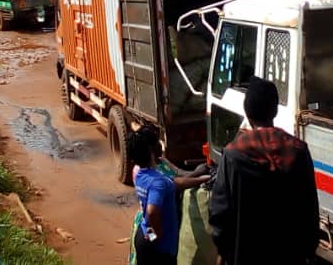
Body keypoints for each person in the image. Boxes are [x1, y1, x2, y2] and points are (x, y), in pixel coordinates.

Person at [208, 77, 318, 265]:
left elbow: (219, 214)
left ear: (247, 113)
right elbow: (310, 210)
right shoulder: (298, 151)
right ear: (275, 110)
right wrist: (308, 251)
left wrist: (226, 252)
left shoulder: (233, 154)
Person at [128, 126, 210, 265]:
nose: (159, 144)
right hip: (158, 248)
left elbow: (174, 183)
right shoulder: (157, 182)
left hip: (145, 234)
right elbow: (152, 211)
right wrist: (158, 235)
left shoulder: (142, 174)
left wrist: (202, 177)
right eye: (156, 142)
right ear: (151, 150)